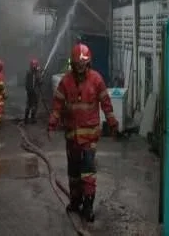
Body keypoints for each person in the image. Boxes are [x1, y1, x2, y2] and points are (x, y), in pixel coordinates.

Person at [48, 43, 118, 222]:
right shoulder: (66, 82)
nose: (80, 67)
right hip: (72, 137)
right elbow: (57, 105)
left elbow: (106, 104)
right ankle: (75, 201)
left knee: (87, 172)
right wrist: (52, 124)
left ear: (88, 63)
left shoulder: (96, 80)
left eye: (83, 64)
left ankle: (88, 206)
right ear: (72, 64)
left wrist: (112, 123)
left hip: (89, 138)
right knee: (73, 172)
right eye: (77, 64)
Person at [24, 58, 43, 123]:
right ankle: (33, 119)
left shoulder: (28, 72)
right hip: (35, 92)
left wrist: (27, 89)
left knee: (28, 104)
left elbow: (26, 82)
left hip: (29, 91)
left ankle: (26, 118)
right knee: (34, 105)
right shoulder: (36, 73)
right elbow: (40, 81)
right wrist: (39, 72)